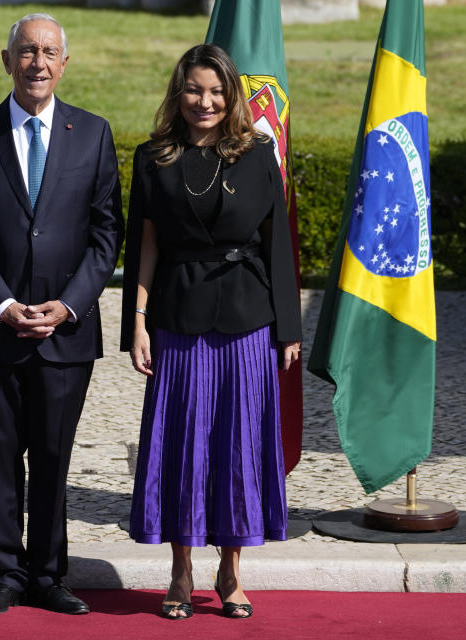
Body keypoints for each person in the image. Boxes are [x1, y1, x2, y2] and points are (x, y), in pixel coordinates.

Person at [0, 13, 124, 616]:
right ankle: (5, 573)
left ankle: (49, 574)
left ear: (64, 63)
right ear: (7, 60)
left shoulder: (93, 133)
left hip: (65, 332)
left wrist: (68, 305)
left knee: (53, 455)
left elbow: (106, 235)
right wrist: (3, 304)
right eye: (27, 51)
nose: (38, 62)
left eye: (49, 52)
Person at [120, 43, 302, 620]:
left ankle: (231, 572)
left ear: (233, 97)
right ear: (179, 94)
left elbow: (277, 245)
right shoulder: (154, 158)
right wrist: (138, 323)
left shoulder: (258, 153)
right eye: (195, 90)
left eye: (217, 91)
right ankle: (180, 570)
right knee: (182, 446)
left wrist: (289, 328)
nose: (206, 101)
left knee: (239, 448)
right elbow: (144, 245)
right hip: (177, 318)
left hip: (249, 321)